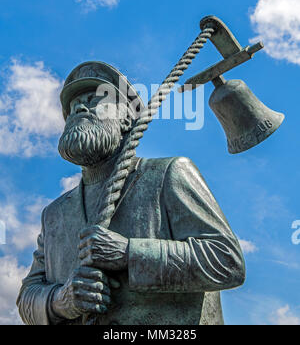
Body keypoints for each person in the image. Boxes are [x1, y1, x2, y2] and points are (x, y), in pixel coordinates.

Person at [17, 61, 245, 325]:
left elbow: (226, 260)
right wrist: (61, 301)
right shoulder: (54, 215)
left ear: (127, 118)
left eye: (94, 100)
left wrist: (128, 253)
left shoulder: (169, 174)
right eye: (72, 107)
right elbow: (26, 299)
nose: (78, 108)